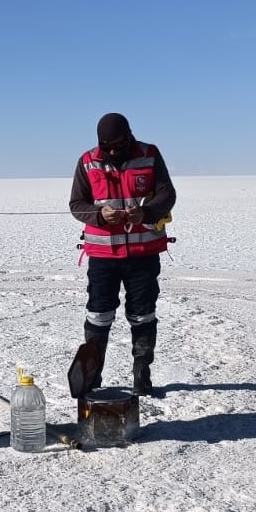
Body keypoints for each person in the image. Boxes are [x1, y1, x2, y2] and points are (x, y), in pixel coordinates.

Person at [69, 112, 176, 396]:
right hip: (103, 256)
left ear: (129, 135)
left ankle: (142, 375)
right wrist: (99, 215)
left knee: (142, 314)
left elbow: (167, 194)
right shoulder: (87, 161)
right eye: (108, 147)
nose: (114, 151)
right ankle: (92, 376)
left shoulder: (149, 155)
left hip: (143, 253)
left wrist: (147, 212)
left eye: (119, 145)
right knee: (99, 315)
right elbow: (76, 204)